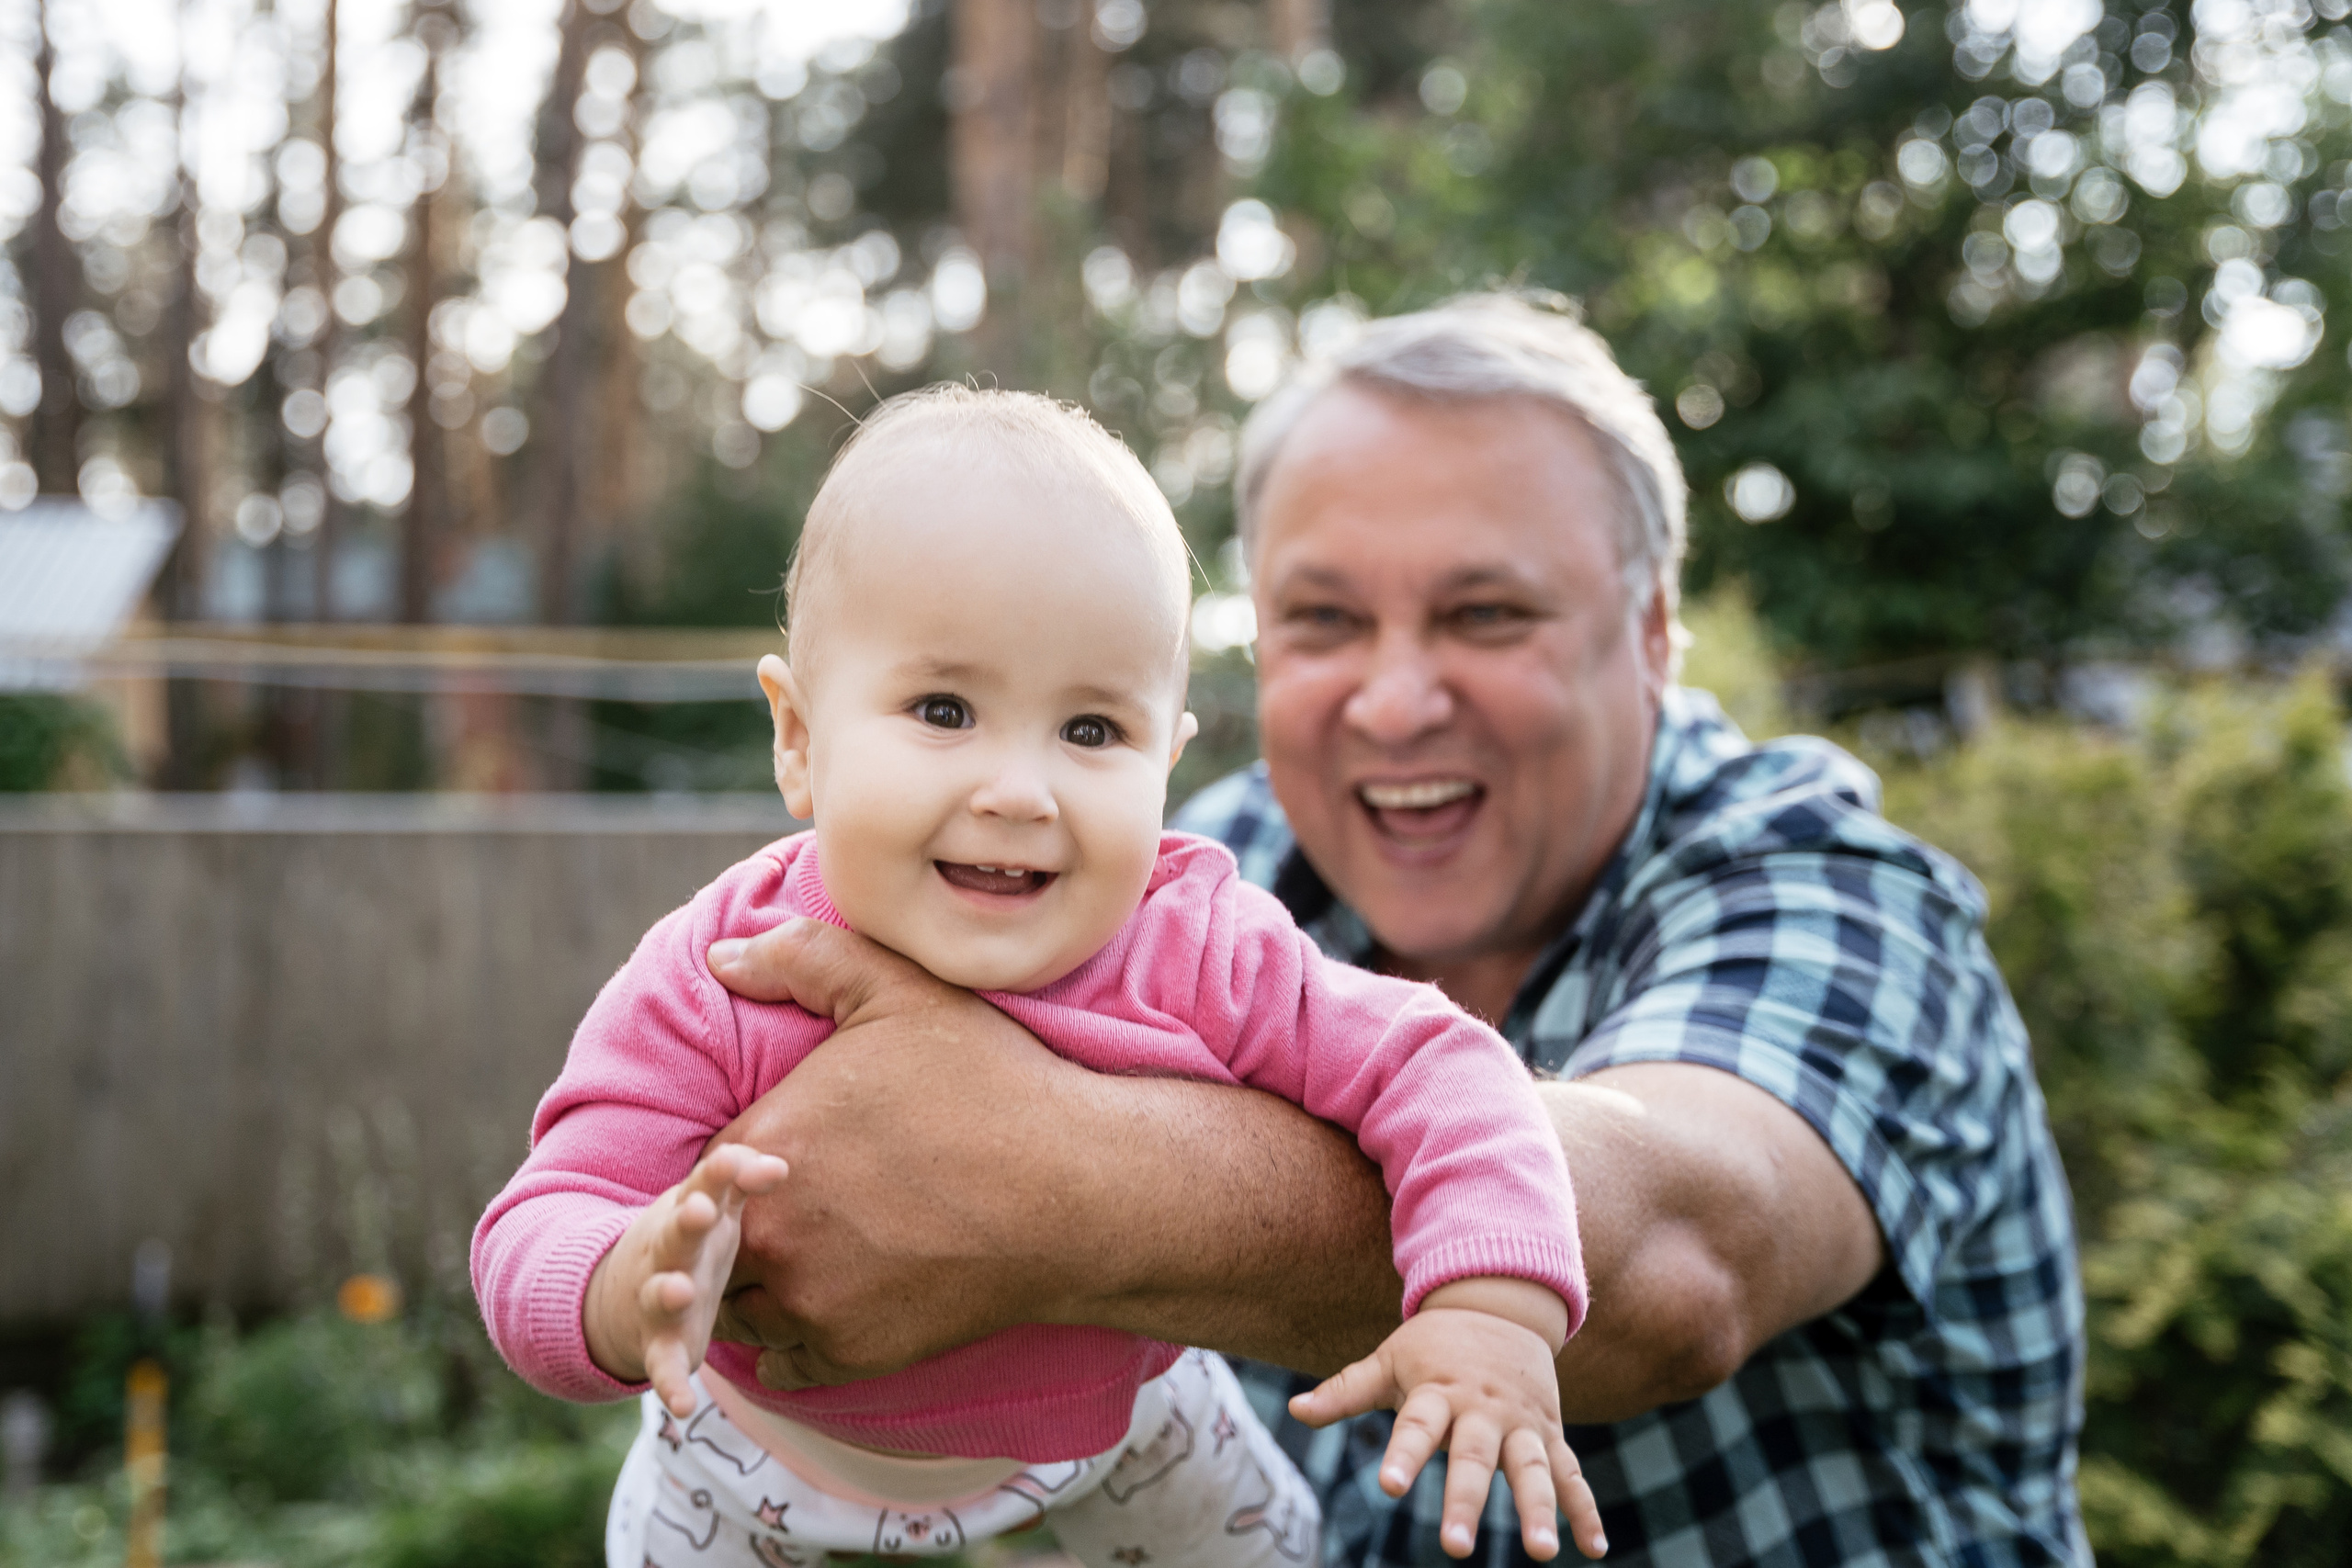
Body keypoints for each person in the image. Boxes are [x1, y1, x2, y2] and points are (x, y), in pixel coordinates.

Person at [695, 295, 2091, 1566]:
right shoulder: (1190, 869)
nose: (1395, 700)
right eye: (1323, 621)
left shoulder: (1832, 885)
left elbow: (1677, 1271)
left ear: (1654, 630)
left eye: (1486, 613)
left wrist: (1035, 1177)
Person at [472, 385, 1613, 1568]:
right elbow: (534, 1230)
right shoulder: (727, 969)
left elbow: (1438, 1063)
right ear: (799, 737)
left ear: (1169, 758)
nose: (1021, 791)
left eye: (1091, 732)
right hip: (753, 1454)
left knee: (1281, 1550)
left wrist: (1492, 1307)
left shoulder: (1196, 945)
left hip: (1123, 1430)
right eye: (945, 708)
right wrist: (624, 1283)